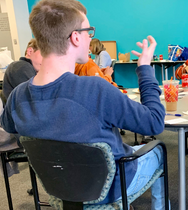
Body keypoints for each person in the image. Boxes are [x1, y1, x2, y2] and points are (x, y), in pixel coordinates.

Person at [1, 0, 168, 209]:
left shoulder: (18, 96)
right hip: (110, 188)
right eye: (89, 30)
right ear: (75, 37)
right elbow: (153, 123)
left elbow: (9, 126)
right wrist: (144, 68)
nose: (91, 37)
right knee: (158, 150)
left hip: (59, 189)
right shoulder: (95, 89)